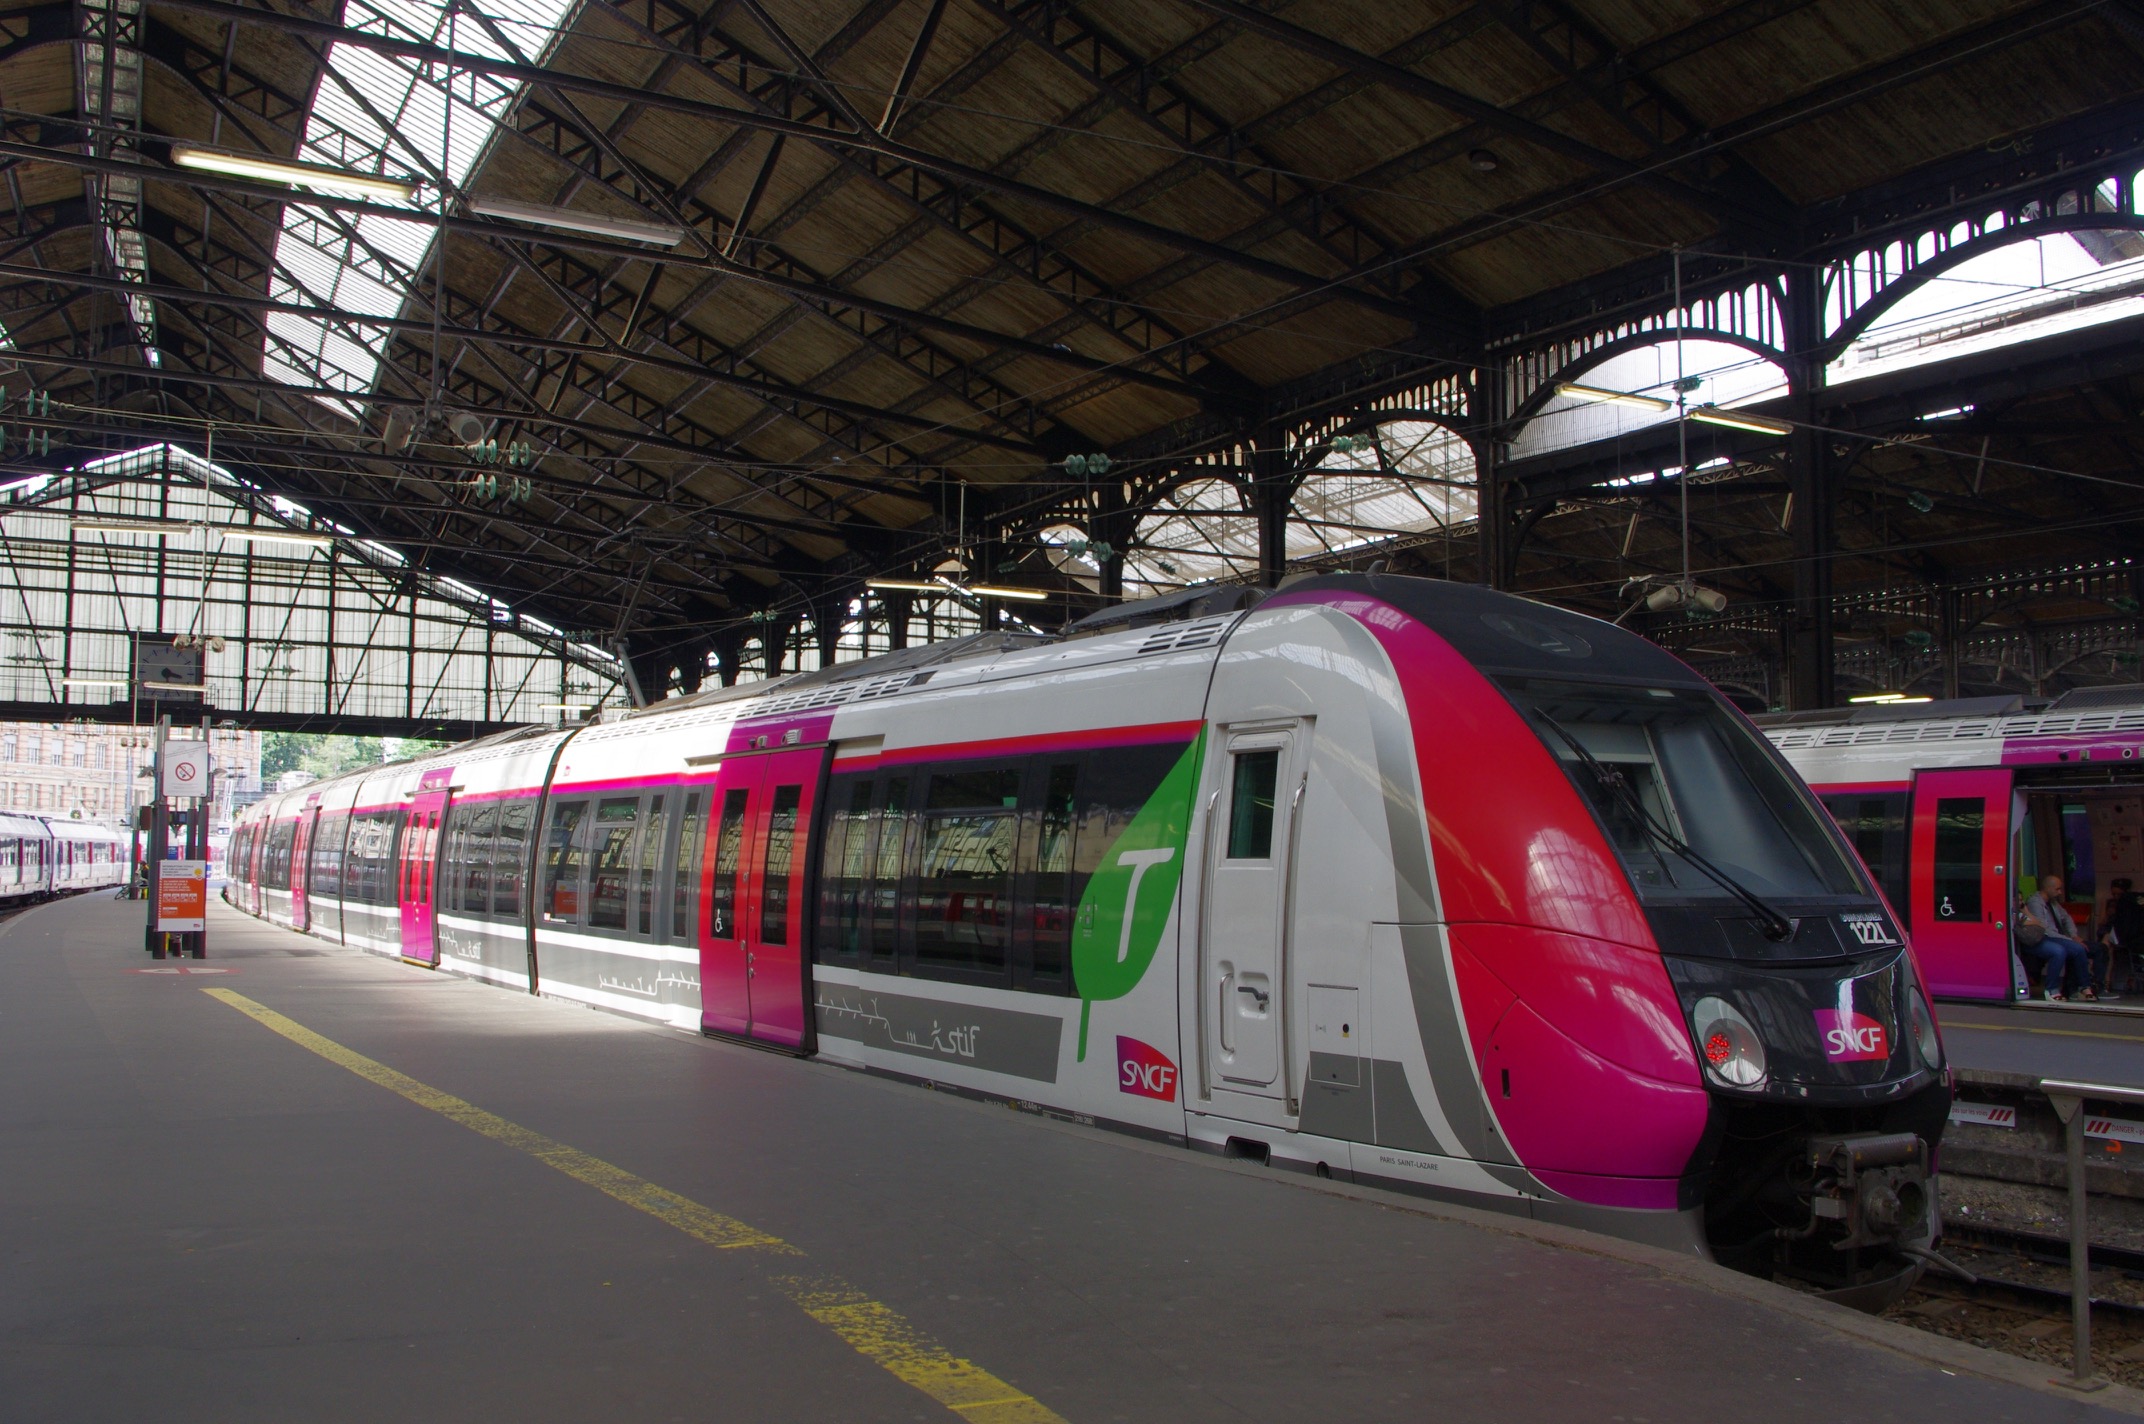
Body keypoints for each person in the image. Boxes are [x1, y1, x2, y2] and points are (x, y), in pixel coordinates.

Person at [2023, 875, 2094, 1002]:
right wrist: (2067, 939)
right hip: (2040, 938)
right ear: (2048, 888)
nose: (2060, 892)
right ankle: (2051, 989)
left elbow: (2066, 918)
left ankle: (2084, 987)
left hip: (2054, 937)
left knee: (2079, 949)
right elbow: (2043, 928)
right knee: (2058, 951)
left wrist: (2073, 935)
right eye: (2057, 889)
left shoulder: (2053, 903)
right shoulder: (2035, 903)